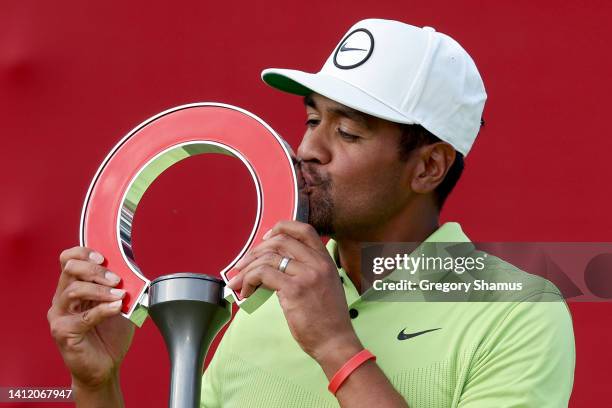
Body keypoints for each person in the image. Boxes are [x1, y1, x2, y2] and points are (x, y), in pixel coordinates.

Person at [48, 19, 575, 407]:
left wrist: (334, 346)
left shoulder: (520, 311)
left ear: (428, 167)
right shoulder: (262, 303)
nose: (308, 150)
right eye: (311, 120)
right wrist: (97, 386)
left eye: (346, 132)